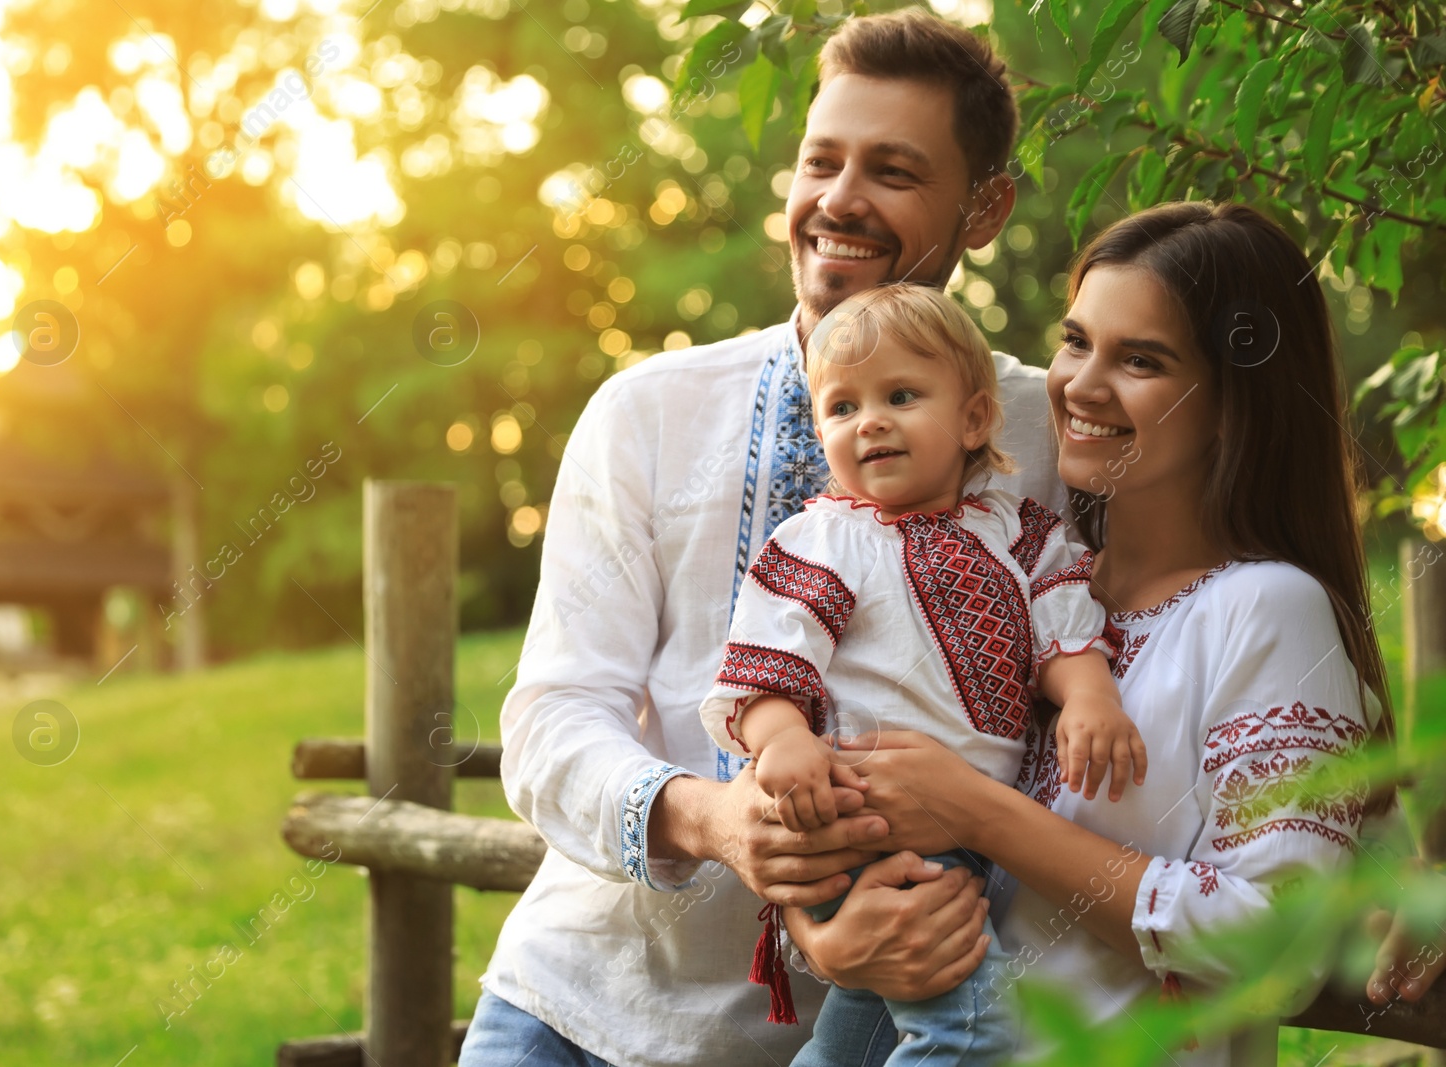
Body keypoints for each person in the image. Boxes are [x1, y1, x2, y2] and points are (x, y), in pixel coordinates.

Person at [458, 11, 1046, 1066]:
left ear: (985, 207)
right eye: (820, 160)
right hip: (586, 1020)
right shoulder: (647, 412)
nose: (838, 200)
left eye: (894, 171)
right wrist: (714, 818)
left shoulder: (1045, 436)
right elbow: (552, 723)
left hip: (889, 1033)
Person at [781, 201, 1395, 1066]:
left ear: (1232, 401)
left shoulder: (1269, 606)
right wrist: (828, 935)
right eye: (1077, 341)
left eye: (1141, 360)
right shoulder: (1034, 576)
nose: (1080, 384)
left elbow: (1277, 944)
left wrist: (980, 811)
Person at [697, 283, 1144, 1064]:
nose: (869, 420)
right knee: (973, 1028)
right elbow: (769, 668)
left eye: (901, 395)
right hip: (871, 822)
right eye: (842, 407)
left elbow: (1064, 627)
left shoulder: (1014, 530)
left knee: (860, 1028)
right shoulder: (821, 542)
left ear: (973, 418)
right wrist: (781, 742)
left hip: (964, 831)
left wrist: (1089, 695)